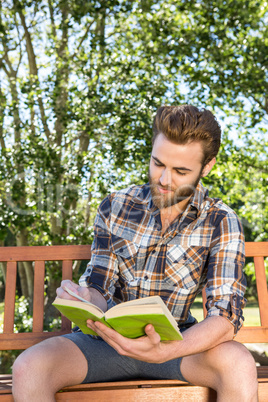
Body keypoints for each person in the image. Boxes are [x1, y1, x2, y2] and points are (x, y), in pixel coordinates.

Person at [12, 105, 258, 401]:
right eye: (158, 163)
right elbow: (100, 286)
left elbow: (225, 316)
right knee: (29, 366)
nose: (164, 179)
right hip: (107, 343)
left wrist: (169, 349)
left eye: (181, 171)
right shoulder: (116, 206)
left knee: (239, 363)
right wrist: (83, 297)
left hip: (176, 347)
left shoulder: (221, 220)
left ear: (206, 167)